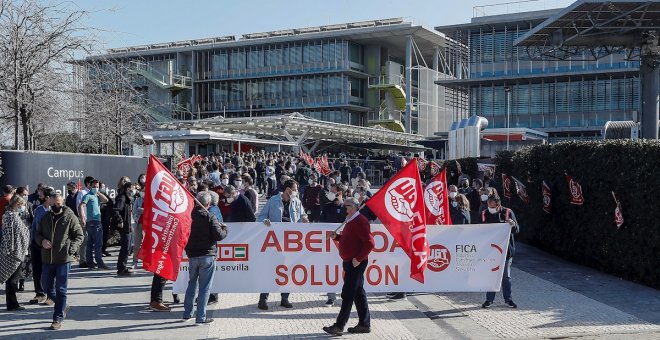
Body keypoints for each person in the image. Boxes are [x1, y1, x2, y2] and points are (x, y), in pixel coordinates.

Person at [323, 197, 375, 335]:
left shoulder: (360, 221)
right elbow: (350, 239)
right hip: (351, 262)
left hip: (356, 263)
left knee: (348, 293)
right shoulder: (351, 220)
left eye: (345, 207)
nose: (343, 209)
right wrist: (337, 237)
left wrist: (358, 258)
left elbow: (370, 243)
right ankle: (364, 324)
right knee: (358, 293)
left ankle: (339, 326)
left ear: (352, 207)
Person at [257, 179, 309, 310]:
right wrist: (265, 221)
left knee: (288, 269)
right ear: (288, 190)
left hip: (291, 242)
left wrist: (304, 218)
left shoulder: (297, 202)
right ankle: (263, 298)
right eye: (295, 189)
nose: (296, 192)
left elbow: (302, 215)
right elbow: (260, 217)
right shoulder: (273, 200)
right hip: (274, 242)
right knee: (270, 269)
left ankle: (284, 298)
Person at [36, 193, 84, 330]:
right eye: (54, 203)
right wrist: (42, 241)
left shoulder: (70, 217)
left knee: (61, 289)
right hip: (47, 259)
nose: (57, 206)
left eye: (59, 203)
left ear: (63, 202)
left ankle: (57, 318)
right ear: (49, 201)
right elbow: (37, 234)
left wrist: (71, 249)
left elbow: (79, 235)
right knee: (46, 286)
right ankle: (63, 305)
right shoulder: (45, 217)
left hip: (63, 259)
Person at [183, 192, 228, 325]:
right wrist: (226, 229)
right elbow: (219, 235)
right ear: (208, 204)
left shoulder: (189, 217)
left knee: (191, 284)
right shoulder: (210, 216)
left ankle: (187, 313)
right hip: (207, 256)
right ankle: (201, 317)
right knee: (204, 287)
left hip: (192, 256)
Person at [480, 195, 519, 309]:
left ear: (498, 204)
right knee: (491, 275)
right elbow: (480, 230)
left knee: (506, 277)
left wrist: (513, 224)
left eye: (491, 205)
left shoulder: (508, 212)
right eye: (488, 204)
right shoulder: (484, 213)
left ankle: (508, 299)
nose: (489, 208)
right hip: (490, 251)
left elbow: (517, 230)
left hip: (506, 251)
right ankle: (489, 300)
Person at [0, 195, 31, 311]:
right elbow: (7, 236)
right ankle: (12, 304)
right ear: (17, 204)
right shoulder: (9, 216)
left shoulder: (14, 215)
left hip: (18, 251)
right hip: (13, 253)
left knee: (13, 278)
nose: (23, 207)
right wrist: (7, 252)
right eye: (22, 204)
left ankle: (13, 303)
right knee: (12, 279)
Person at [320, 184, 347, 306]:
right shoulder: (327, 207)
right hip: (330, 244)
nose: (330, 193)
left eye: (333, 192)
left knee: (345, 270)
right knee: (330, 269)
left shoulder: (347, 207)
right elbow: (321, 222)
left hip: (343, 243)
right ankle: (331, 296)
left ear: (340, 193)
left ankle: (345, 295)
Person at [79, 180, 110, 270]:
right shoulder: (88, 195)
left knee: (91, 243)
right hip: (93, 222)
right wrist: (82, 218)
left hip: (96, 221)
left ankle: (91, 263)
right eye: (94, 186)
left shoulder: (96, 196)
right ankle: (99, 263)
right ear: (90, 186)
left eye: (97, 186)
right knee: (97, 243)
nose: (96, 188)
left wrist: (98, 193)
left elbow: (106, 200)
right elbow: (81, 205)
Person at [113, 181, 134, 276]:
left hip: (128, 226)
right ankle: (121, 268)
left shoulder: (128, 199)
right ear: (127, 188)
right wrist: (120, 221)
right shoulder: (122, 198)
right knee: (125, 248)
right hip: (124, 226)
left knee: (128, 247)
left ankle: (123, 266)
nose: (133, 190)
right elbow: (116, 210)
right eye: (131, 188)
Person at [132, 184, 145, 269]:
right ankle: (135, 261)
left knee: (147, 245)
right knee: (137, 245)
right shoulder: (138, 200)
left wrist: (142, 210)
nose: (143, 193)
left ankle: (146, 262)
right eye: (142, 191)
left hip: (148, 226)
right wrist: (145, 210)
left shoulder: (152, 200)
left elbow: (151, 211)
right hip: (138, 224)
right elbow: (135, 210)